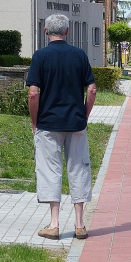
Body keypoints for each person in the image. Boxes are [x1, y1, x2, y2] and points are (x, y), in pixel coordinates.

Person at [26, 13, 97, 240]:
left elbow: (33, 93)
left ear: (46, 32)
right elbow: (92, 89)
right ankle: (79, 225)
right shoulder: (79, 55)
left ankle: (54, 225)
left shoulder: (40, 56)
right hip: (76, 123)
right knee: (78, 170)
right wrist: (84, 115)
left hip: (48, 124)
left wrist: (34, 121)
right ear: (67, 31)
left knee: (50, 171)